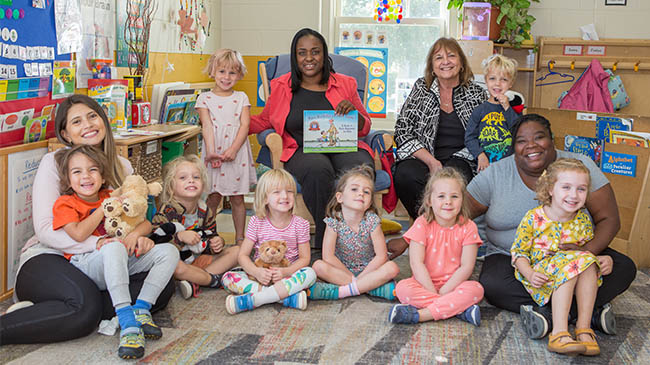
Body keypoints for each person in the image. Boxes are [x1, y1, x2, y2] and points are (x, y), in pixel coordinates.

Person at [0, 95, 174, 345]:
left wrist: (137, 237)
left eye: (92, 116)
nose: (88, 124)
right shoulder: (56, 162)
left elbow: (139, 221)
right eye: (77, 121)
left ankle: (50, 308)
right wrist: (99, 244)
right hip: (50, 255)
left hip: (103, 257)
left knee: (163, 284)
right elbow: (47, 230)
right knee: (86, 307)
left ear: (103, 120)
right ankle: (47, 312)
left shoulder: (122, 166)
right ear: (66, 134)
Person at [467, 114, 637, 339]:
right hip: (514, 258)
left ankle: (551, 315)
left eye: (539, 137)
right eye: (521, 141)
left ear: (552, 139)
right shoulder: (495, 174)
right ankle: (586, 311)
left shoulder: (580, 167)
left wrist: (588, 254)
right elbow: (456, 212)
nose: (531, 146)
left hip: (576, 252)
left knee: (623, 267)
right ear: (513, 147)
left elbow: (609, 219)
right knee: (493, 286)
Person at [250, 28, 373, 249]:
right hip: (301, 150)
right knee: (318, 169)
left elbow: (365, 127)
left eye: (315, 52)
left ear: (324, 55)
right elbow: (264, 121)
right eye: (302, 52)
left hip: (344, 146)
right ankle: (329, 242)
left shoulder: (346, 84)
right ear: (295, 56)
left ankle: (360, 238)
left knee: (359, 169)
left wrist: (354, 112)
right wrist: (232, 121)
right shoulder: (281, 86)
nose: (309, 58)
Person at [51, 145, 178, 359]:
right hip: (87, 265)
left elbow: (146, 224)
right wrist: (104, 207)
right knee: (114, 247)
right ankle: (126, 319)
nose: (86, 176)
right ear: (67, 178)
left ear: (102, 175)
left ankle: (142, 308)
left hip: (121, 259)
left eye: (93, 170)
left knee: (169, 251)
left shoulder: (111, 194)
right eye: (77, 172)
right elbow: (78, 234)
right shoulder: (66, 203)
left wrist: (136, 235)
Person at [389, 37, 487, 258]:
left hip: (463, 156)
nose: (446, 61)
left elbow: (485, 134)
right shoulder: (420, 88)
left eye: (451, 56)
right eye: (439, 57)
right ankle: (428, 233)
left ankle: (427, 236)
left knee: (453, 180)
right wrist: (432, 162)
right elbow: (402, 129)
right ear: (431, 65)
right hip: (425, 157)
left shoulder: (477, 93)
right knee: (405, 174)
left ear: (461, 63)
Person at [512, 158, 601, 356]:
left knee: (587, 262)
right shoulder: (534, 218)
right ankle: (559, 332)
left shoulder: (583, 220)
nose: (573, 195)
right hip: (541, 275)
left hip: (573, 271)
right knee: (576, 263)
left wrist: (601, 259)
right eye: (566, 187)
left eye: (581, 189)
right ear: (551, 189)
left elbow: (584, 251)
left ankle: (583, 328)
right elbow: (518, 252)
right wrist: (529, 273)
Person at [388, 167, 484, 326]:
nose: (448, 201)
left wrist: (446, 290)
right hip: (423, 283)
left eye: (454, 196)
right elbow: (416, 263)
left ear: (462, 200)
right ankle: (459, 310)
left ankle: (419, 315)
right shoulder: (422, 224)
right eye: (441, 196)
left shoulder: (469, 227)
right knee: (403, 288)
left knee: (476, 289)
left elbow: (467, 267)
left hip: (455, 285)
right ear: (429, 201)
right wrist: (432, 291)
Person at [221, 169, 317, 314]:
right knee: (228, 278)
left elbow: (305, 258)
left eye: (290, 191)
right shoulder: (256, 221)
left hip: (287, 277)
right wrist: (256, 272)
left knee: (310, 274)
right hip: (260, 277)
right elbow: (243, 255)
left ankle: (256, 299)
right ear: (265, 198)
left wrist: (286, 272)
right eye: (277, 192)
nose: (285, 196)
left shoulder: (301, 224)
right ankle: (284, 298)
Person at [152, 155, 240, 299]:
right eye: (183, 178)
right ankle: (212, 280)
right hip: (178, 265)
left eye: (196, 177)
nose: (191, 180)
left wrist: (217, 242)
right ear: (170, 186)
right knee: (177, 267)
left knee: (237, 251)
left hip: (199, 262)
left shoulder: (205, 210)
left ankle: (195, 281)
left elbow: (210, 235)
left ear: (203, 184)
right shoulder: (166, 210)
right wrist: (179, 236)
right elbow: (156, 242)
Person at [309, 165, 400, 300]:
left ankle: (339, 291)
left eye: (367, 192)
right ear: (340, 197)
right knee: (318, 266)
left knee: (392, 267)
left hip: (369, 270)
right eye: (354, 189)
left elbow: (381, 256)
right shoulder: (334, 221)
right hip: (341, 270)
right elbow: (328, 257)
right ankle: (370, 288)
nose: (361, 194)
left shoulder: (372, 221)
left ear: (369, 203)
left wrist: (363, 277)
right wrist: (353, 278)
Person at [197, 48, 256, 245]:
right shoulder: (204, 98)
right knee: (213, 197)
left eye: (232, 72)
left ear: (239, 74)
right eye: (222, 71)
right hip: (214, 151)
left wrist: (233, 150)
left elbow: (245, 125)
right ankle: (209, 236)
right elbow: (206, 125)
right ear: (212, 71)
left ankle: (240, 238)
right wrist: (212, 151)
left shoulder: (241, 98)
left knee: (237, 198)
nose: (226, 77)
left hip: (236, 152)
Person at [464, 54, 521, 172]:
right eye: (492, 78)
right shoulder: (479, 110)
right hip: (485, 167)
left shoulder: (514, 110)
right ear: (485, 80)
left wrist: (507, 108)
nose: (497, 84)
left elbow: (519, 131)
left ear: (511, 83)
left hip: (509, 167)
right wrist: (480, 155)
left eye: (504, 79)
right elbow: (470, 137)